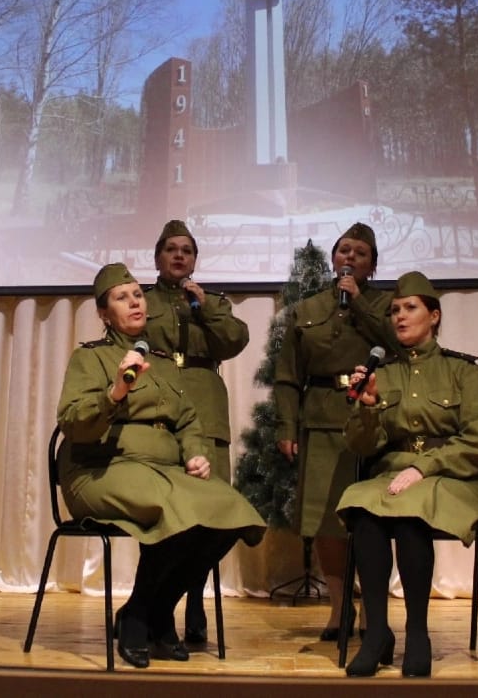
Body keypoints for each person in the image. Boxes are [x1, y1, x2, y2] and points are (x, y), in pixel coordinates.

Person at [57, 263, 265, 669]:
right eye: (122, 298)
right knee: (176, 508)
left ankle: (152, 609)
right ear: (104, 313)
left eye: (137, 295)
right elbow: (72, 421)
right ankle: (142, 620)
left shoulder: (163, 361)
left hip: (161, 470)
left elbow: (188, 419)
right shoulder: (91, 358)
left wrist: (195, 452)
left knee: (232, 510)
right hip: (100, 469)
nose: (135, 302)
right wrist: (115, 392)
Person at [336, 271, 478, 677]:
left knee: (410, 514)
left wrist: (422, 468)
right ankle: (376, 633)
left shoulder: (464, 372)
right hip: (392, 478)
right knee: (362, 508)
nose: (400, 317)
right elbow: (361, 446)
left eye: (410, 308)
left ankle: (418, 633)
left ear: (434, 316)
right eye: (394, 311)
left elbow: (477, 442)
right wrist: (369, 406)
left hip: (455, 478)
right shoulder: (384, 373)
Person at [273, 222, 395, 640]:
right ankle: (340, 608)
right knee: (327, 521)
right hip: (322, 419)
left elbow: (399, 346)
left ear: (372, 265)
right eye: (344, 250)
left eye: (360, 253)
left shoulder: (387, 306)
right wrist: (286, 426)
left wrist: (359, 303)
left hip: (373, 419)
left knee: (372, 518)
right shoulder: (307, 309)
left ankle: (372, 610)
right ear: (333, 259)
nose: (350, 257)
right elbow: (288, 375)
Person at [142, 220, 249, 648]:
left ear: (195, 260)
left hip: (206, 411)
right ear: (157, 257)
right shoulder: (141, 301)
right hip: (157, 406)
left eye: (187, 250)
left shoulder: (212, 302)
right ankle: (151, 604)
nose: (179, 255)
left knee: (208, 513)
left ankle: (194, 601)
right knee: (162, 511)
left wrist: (205, 307)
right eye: (171, 249)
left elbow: (234, 341)